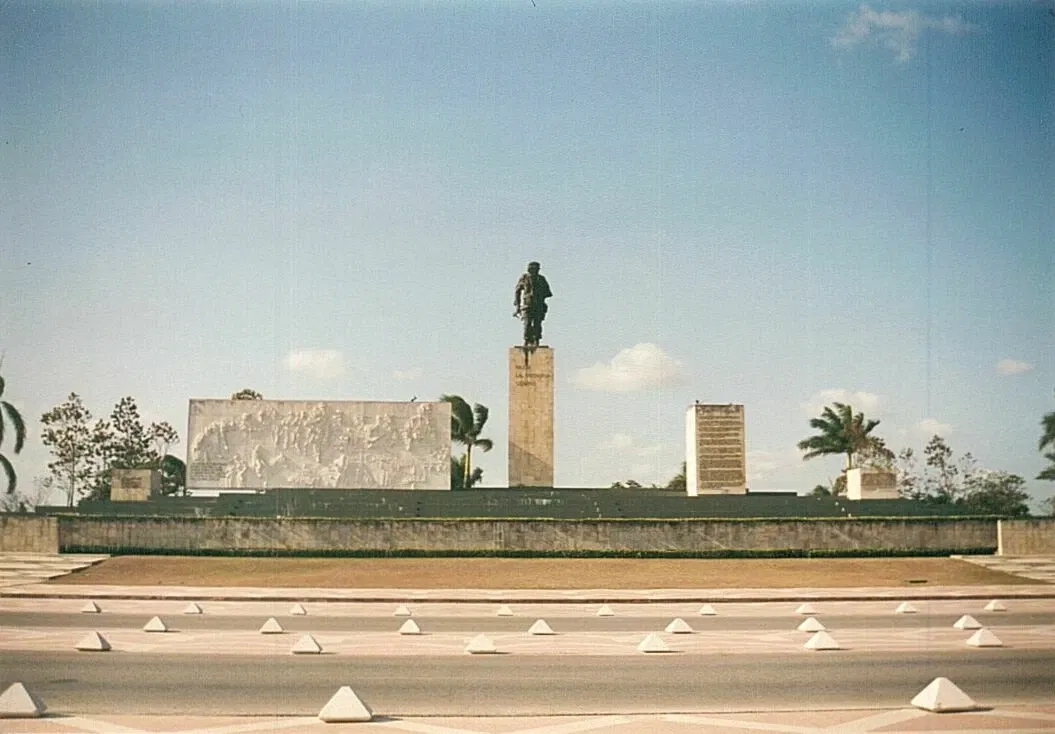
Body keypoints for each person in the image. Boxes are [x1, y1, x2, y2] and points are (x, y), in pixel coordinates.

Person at [513, 261, 553, 348]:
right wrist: (518, 305)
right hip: (527, 305)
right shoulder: (524, 278)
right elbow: (517, 291)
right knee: (527, 324)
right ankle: (527, 340)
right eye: (533, 269)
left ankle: (536, 340)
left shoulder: (541, 279)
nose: (535, 271)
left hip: (538, 305)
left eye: (536, 269)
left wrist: (540, 295)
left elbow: (548, 293)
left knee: (537, 324)